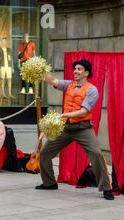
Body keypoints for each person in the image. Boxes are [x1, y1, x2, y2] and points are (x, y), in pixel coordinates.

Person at [36, 59, 114, 201]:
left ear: (86, 73)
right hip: (66, 128)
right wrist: (39, 70)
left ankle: (106, 188)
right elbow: (52, 80)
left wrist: (63, 115)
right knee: (45, 153)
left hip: (83, 128)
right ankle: (49, 183)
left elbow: (83, 111)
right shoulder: (69, 85)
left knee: (96, 153)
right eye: (75, 69)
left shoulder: (92, 89)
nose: (75, 71)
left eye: (79, 69)